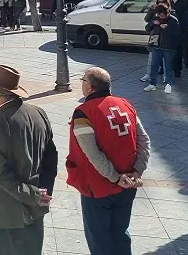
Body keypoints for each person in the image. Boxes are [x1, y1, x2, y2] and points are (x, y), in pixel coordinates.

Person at [0, 65, 58, 255]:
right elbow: (51, 158)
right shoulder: (38, 113)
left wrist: (34, 195)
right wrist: (43, 193)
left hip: (3, 216)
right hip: (35, 209)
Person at [68, 67, 151, 255]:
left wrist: (114, 177)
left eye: (82, 81)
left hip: (98, 188)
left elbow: (93, 154)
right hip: (128, 184)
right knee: (120, 233)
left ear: (89, 87)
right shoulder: (125, 105)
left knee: (99, 239)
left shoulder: (83, 112)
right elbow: (144, 139)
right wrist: (137, 171)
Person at [143, 4, 181, 94]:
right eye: (159, 15)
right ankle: (152, 84)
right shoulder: (156, 18)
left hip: (169, 47)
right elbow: (147, 28)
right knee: (154, 65)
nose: (160, 17)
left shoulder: (173, 20)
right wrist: (153, 23)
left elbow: (178, 34)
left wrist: (166, 29)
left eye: (162, 15)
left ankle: (169, 84)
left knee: (168, 66)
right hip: (156, 46)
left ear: (167, 12)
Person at [168, 0, 188, 77]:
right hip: (169, 30)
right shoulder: (168, 2)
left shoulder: (185, 2)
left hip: (180, 30)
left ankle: (177, 71)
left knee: (178, 51)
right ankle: (165, 69)